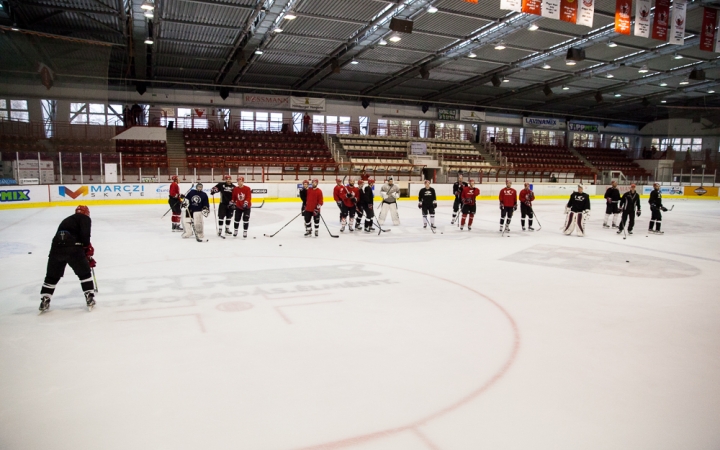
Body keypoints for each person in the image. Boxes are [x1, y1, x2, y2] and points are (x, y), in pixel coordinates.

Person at [39, 205, 96, 312]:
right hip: (73, 249)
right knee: (84, 273)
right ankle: (89, 296)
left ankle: (45, 299)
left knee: (52, 276)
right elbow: (85, 237)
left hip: (56, 249)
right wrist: (86, 249)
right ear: (86, 213)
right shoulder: (85, 218)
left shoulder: (66, 220)